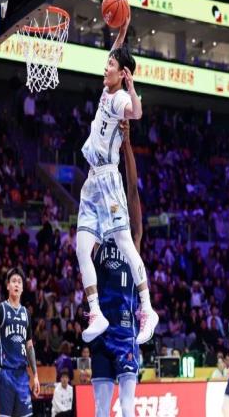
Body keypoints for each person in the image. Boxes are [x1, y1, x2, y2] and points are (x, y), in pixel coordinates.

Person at [76, 12, 158, 345]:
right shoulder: (106, 91)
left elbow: (136, 112)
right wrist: (122, 31)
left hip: (109, 179)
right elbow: (116, 54)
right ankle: (95, 311)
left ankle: (147, 308)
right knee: (81, 247)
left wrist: (133, 88)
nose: (105, 66)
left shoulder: (121, 97)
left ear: (121, 74)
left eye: (111, 64)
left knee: (125, 243)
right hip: (91, 181)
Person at [90, 121, 141, 417]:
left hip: (125, 333)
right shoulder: (96, 238)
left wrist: (127, 145)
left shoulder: (133, 237)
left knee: (127, 407)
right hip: (101, 336)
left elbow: (132, 190)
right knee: (100, 411)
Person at [0, 268, 40, 417]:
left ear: (22, 288)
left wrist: (35, 375)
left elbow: (29, 346)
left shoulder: (26, 314)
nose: (16, 284)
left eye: (19, 282)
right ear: (8, 286)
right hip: (4, 374)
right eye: (13, 281)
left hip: (22, 375)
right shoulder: (0, 310)